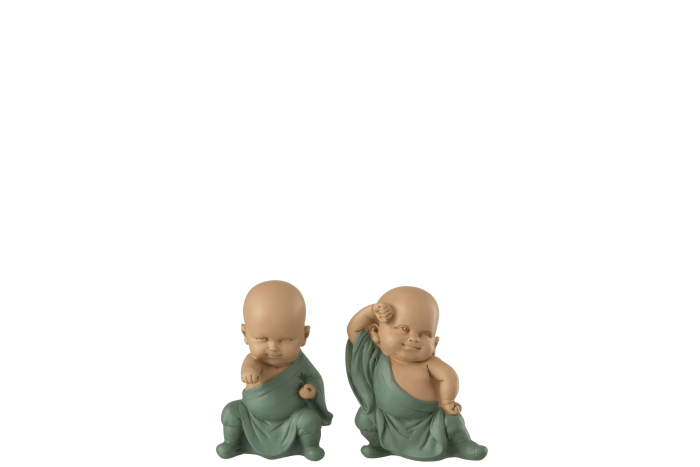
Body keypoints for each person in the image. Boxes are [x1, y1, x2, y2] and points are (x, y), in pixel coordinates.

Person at [346, 286, 487, 461]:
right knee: (364, 419)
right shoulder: (376, 357)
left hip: (429, 421)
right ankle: (379, 444)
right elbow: (354, 330)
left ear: (435, 344)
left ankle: (461, 444)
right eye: (403, 328)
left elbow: (449, 377)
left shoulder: (430, 363)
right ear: (375, 332)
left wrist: (447, 402)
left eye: (425, 334)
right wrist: (370, 311)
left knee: (452, 420)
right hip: (388, 419)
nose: (414, 338)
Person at [217, 281, 332, 461]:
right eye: (262, 339)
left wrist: (311, 390)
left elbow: (314, 379)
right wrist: (249, 370)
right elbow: (249, 367)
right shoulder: (253, 361)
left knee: (309, 419)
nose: (273, 347)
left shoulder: (301, 363)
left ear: (304, 335)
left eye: (285, 340)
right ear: (245, 334)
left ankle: (309, 446)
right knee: (231, 411)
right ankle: (233, 443)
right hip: (251, 418)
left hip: (292, 419)